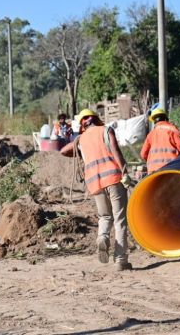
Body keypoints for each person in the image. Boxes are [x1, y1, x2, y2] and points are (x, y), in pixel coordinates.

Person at [59, 108, 132, 271]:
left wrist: (78, 147)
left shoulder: (81, 139)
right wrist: (125, 173)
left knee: (105, 217)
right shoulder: (106, 130)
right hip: (113, 179)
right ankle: (120, 260)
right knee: (119, 219)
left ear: (83, 124)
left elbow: (63, 151)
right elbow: (116, 151)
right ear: (96, 119)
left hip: (94, 184)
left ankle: (102, 237)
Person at [140, 106, 180, 173]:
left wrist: (152, 162)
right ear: (166, 118)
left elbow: (143, 154)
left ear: (154, 122)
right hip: (171, 168)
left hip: (153, 170)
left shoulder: (151, 134)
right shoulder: (173, 130)